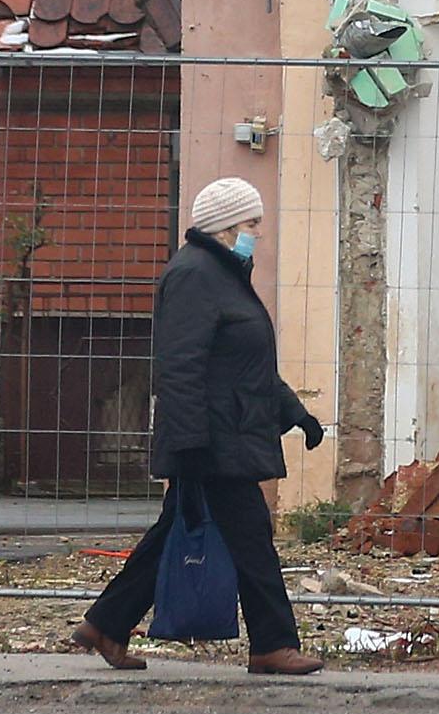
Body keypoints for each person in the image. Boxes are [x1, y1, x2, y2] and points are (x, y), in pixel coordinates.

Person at [74, 175, 325, 674]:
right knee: (251, 536)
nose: (259, 233)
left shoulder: (222, 274)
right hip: (211, 439)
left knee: (175, 531)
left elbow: (244, 364)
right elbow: (180, 365)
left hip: (222, 433)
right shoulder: (194, 275)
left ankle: (105, 624)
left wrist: (294, 412)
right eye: (253, 223)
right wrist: (189, 443)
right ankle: (273, 645)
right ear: (226, 226)